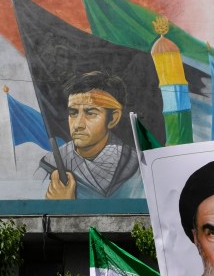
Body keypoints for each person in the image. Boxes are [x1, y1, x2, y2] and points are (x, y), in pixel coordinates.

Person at [37, 70, 141, 199]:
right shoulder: (49, 166)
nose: (78, 124)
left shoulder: (137, 168)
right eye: (73, 113)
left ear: (113, 118)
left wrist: (65, 207)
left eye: (90, 113)